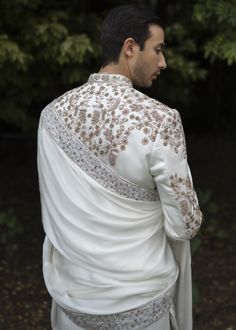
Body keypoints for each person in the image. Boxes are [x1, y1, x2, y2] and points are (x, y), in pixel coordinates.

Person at [37, 4, 202, 330]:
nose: (163, 62)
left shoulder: (51, 117)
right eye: (157, 49)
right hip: (141, 304)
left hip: (73, 302)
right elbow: (186, 223)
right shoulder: (159, 120)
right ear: (130, 47)